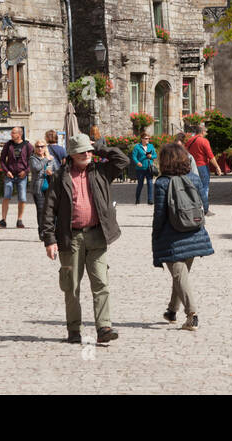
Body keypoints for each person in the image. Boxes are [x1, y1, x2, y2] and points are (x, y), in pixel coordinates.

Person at [40, 133, 130, 345]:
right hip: (70, 238)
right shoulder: (59, 177)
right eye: (82, 151)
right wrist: (49, 240)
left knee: (101, 283)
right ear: (71, 154)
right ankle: (73, 329)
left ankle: (104, 327)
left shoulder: (101, 171)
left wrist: (98, 147)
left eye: (88, 151)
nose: (87, 155)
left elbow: (122, 160)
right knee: (71, 287)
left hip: (97, 235)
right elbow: (48, 210)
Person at [152, 142, 214, 330]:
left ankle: (191, 315)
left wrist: (156, 236)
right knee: (181, 276)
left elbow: (160, 214)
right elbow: (204, 202)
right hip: (194, 233)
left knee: (180, 276)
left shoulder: (162, 183)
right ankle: (172, 311)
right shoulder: (194, 179)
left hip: (173, 238)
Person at [0, 127, 31, 228]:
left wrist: (26, 171)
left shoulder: (27, 145)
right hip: (10, 174)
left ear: (19, 134)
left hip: (22, 175)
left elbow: (32, 160)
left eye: (13, 133)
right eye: (11, 133)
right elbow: (2, 160)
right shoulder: (8, 144)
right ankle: (3, 220)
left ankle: (19, 220)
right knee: (6, 196)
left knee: (22, 198)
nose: (11, 134)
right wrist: (6, 171)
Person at [184, 122, 219, 217]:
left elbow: (185, 153)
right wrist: (217, 167)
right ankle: (204, 209)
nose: (206, 133)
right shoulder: (204, 141)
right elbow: (210, 156)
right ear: (202, 132)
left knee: (193, 187)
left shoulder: (189, 141)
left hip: (191, 166)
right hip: (202, 166)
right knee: (204, 187)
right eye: (206, 131)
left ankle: (194, 207)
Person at [29, 139, 58, 237]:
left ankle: (51, 230)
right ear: (35, 148)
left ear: (45, 147)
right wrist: (46, 159)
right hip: (38, 189)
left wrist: (52, 173)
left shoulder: (52, 159)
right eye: (38, 146)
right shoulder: (33, 158)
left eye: (42, 146)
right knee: (41, 211)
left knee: (52, 210)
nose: (40, 148)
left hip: (50, 188)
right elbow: (36, 168)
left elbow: (58, 172)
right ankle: (42, 232)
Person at [131, 135, 157, 205]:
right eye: (146, 138)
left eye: (148, 138)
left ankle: (150, 200)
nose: (147, 140)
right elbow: (134, 156)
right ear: (142, 139)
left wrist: (151, 156)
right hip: (140, 168)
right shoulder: (137, 147)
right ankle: (137, 199)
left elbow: (155, 155)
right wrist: (137, 162)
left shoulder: (151, 146)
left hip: (149, 168)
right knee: (140, 184)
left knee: (150, 183)